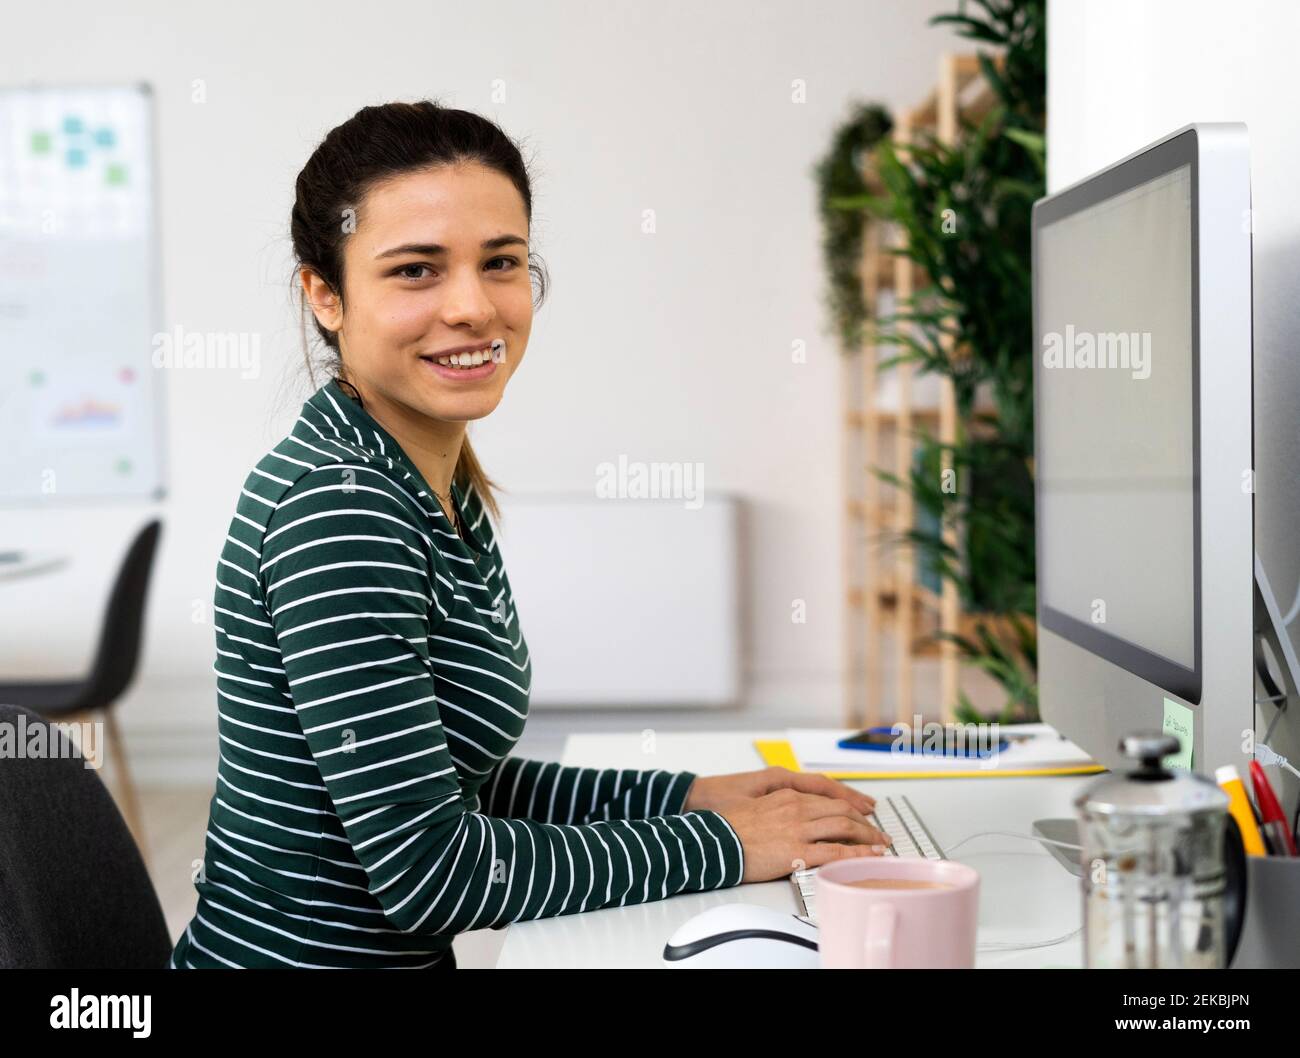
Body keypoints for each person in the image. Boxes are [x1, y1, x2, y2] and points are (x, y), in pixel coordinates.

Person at [169, 100, 889, 969]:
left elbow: (451, 785)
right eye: (415, 271)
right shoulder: (341, 510)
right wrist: (731, 844)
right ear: (326, 295)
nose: (474, 307)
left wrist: (693, 798)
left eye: (500, 262)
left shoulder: (426, 479)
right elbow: (434, 873)